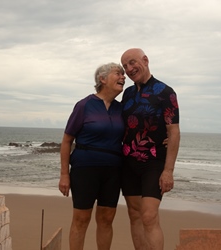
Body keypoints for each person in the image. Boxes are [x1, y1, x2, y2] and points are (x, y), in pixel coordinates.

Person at [59, 62, 126, 250]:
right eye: (118, 74)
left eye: (123, 75)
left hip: (113, 171)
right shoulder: (84, 105)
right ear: (102, 79)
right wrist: (64, 174)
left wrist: (164, 139)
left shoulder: (121, 109)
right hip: (84, 169)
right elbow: (66, 141)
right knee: (81, 219)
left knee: (106, 219)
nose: (123, 77)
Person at [120, 48, 180, 250]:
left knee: (148, 215)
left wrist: (168, 171)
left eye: (132, 62)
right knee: (134, 215)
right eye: (125, 66)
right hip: (128, 163)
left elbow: (173, 132)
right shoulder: (127, 94)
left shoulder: (165, 92)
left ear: (145, 60)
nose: (129, 69)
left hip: (154, 163)